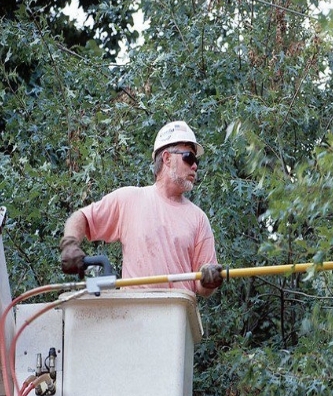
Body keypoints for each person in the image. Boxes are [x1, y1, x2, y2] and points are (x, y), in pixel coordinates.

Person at [59, 120, 223, 297]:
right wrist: (69, 244)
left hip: (177, 310)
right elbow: (81, 217)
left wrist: (209, 281)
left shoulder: (198, 218)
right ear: (167, 158)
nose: (195, 166)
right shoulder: (129, 199)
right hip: (135, 309)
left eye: (195, 160)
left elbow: (203, 288)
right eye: (189, 157)